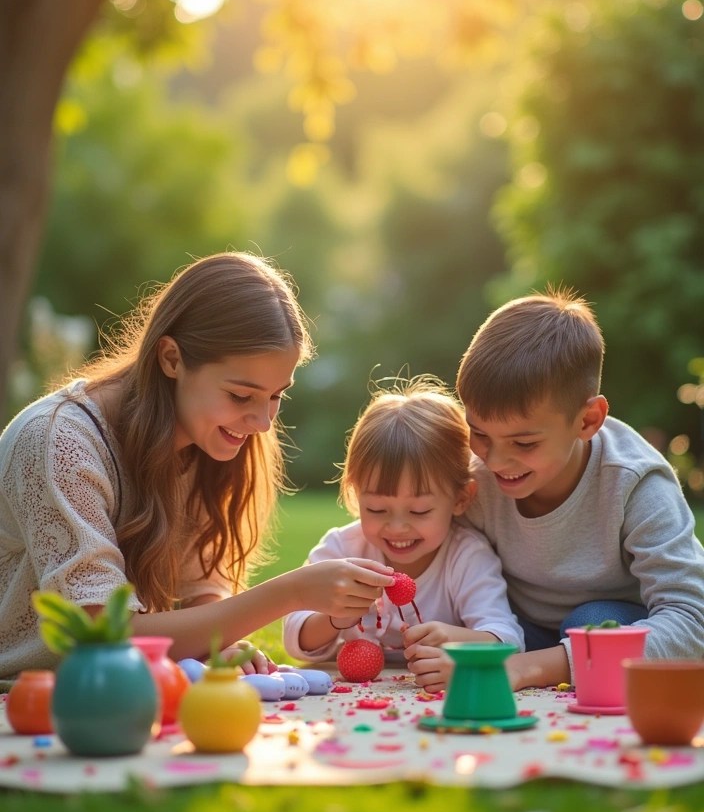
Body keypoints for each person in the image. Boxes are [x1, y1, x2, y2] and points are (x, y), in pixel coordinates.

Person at [0, 252, 393, 685]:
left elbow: (200, 582)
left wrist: (216, 640)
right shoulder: (58, 441)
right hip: (24, 699)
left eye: (277, 395)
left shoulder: (202, 439)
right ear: (171, 359)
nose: (263, 422)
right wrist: (294, 592)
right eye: (242, 396)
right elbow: (102, 635)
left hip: (123, 695)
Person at [455, 286, 704, 692]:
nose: (495, 461)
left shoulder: (636, 485)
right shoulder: (474, 478)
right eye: (479, 433)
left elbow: (693, 621)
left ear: (588, 420)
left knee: (589, 621)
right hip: (515, 631)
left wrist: (533, 668)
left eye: (524, 443)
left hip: (607, 631)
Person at [283, 377, 525, 692]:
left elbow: (507, 638)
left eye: (419, 511)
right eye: (377, 510)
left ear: (461, 499)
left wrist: (455, 638)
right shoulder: (342, 548)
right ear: (357, 495)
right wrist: (335, 618)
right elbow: (295, 637)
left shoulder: (466, 555)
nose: (397, 528)